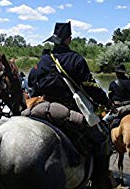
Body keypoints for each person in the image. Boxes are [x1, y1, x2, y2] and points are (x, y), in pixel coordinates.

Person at [28, 21, 113, 189]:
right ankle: (100, 180)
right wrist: (105, 101)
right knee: (102, 138)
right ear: (69, 39)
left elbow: (32, 84)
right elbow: (91, 87)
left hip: (42, 106)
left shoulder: (43, 60)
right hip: (67, 109)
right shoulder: (76, 59)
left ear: (54, 40)